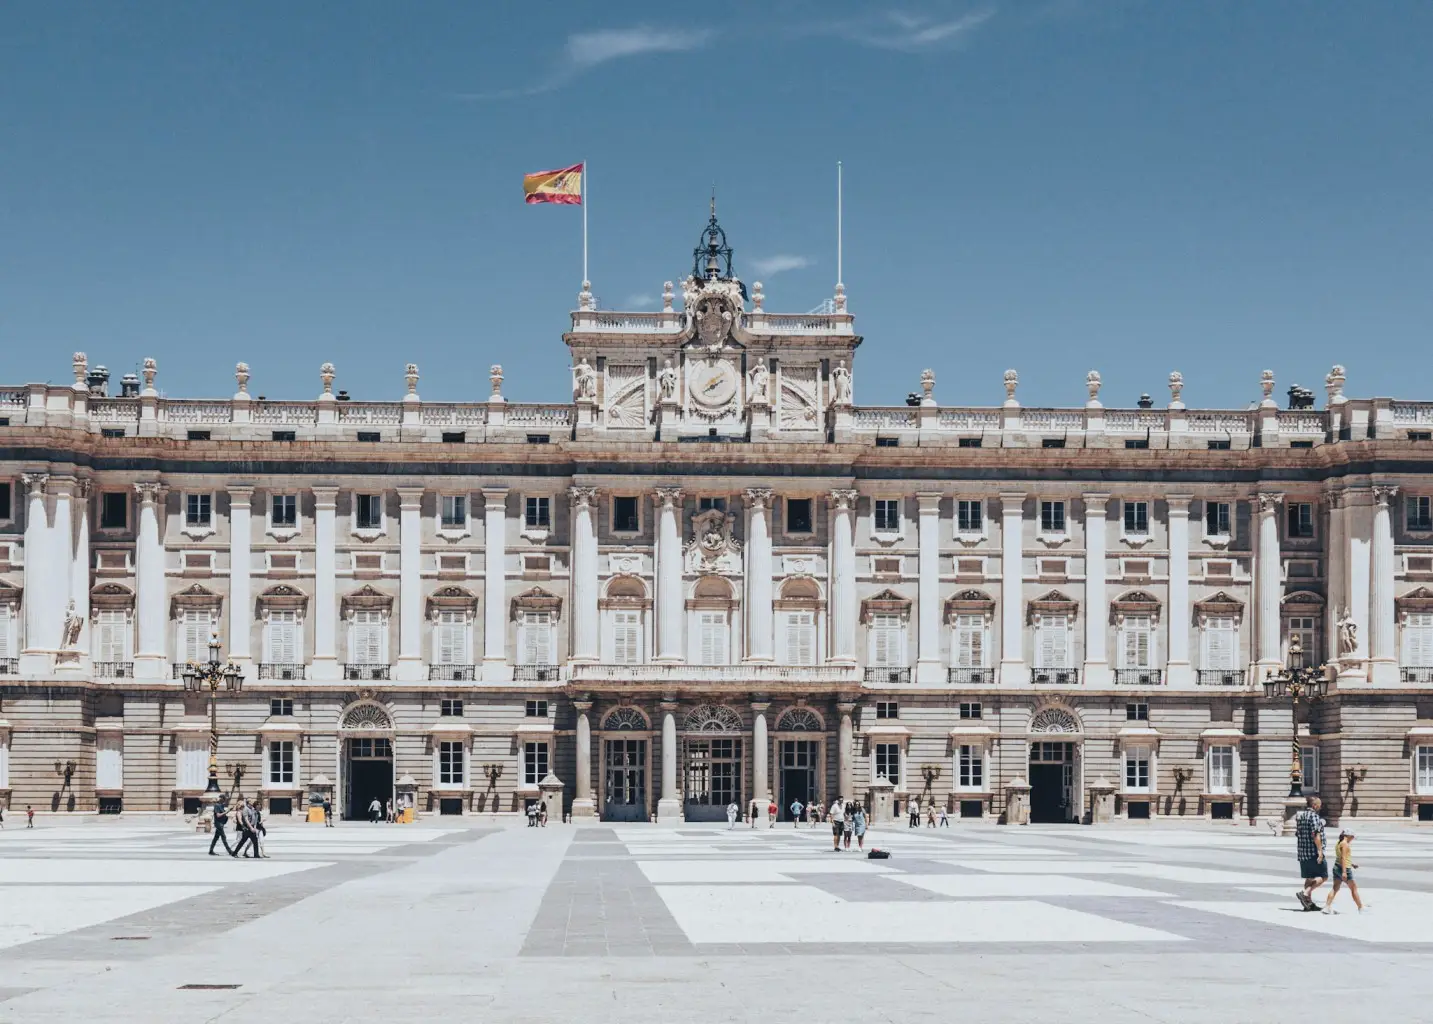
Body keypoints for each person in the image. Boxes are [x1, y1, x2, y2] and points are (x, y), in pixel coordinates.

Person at [1293, 795, 1328, 911]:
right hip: (1313, 852)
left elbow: (1298, 833)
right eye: (1319, 804)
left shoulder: (1301, 816)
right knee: (1324, 876)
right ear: (1314, 805)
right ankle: (1305, 893)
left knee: (1309, 878)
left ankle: (1308, 904)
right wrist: (1320, 851)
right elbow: (1316, 835)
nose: (1320, 807)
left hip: (1303, 852)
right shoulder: (1314, 817)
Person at [1323, 830, 1367, 914]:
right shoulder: (1345, 844)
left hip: (1336, 867)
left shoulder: (1338, 843)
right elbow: (1343, 858)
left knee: (1335, 888)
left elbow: (1342, 857)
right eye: (1352, 837)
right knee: (1353, 888)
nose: (1353, 839)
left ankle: (1327, 907)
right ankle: (1361, 908)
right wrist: (1344, 872)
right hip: (1344, 869)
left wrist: (1352, 864)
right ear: (1348, 836)